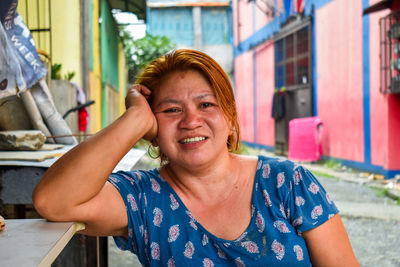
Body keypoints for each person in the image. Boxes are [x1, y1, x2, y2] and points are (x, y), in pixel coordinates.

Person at [33, 49, 359, 266]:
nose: (191, 121)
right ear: (153, 130)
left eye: (206, 105)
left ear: (230, 119)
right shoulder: (144, 200)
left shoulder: (288, 183)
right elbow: (53, 201)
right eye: (171, 110)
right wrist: (132, 121)